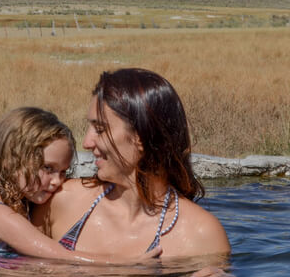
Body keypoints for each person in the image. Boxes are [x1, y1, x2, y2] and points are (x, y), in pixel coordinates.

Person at [32, 69, 231, 261]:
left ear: (141, 137)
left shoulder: (202, 237)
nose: (86, 142)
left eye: (100, 129)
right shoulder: (63, 200)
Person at [0, 106, 160, 264]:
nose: (58, 181)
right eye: (48, 168)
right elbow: (61, 257)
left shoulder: (1, 195)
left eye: (63, 171)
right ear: (11, 160)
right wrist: (129, 265)